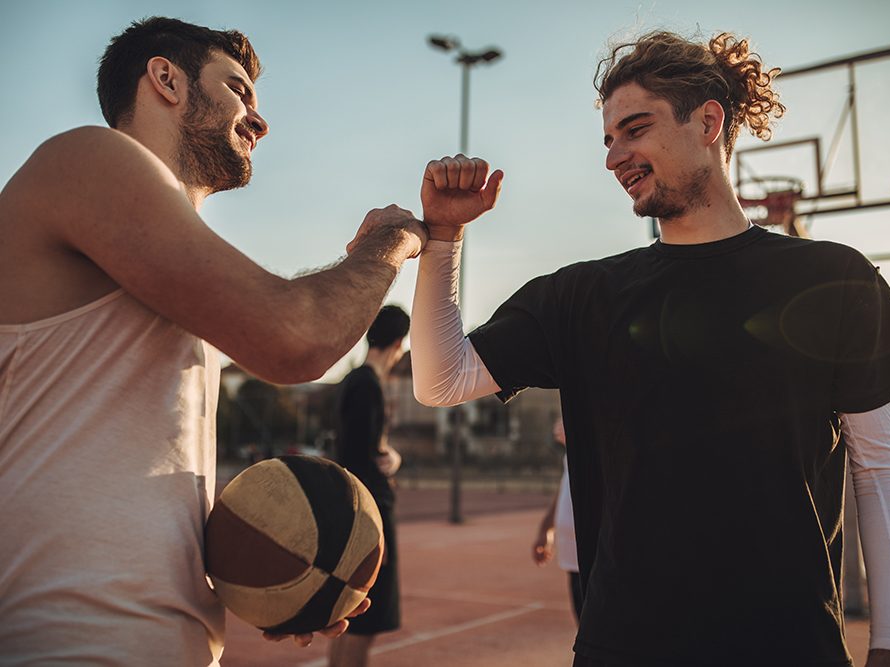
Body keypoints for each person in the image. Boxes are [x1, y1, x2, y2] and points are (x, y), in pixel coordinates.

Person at [407, 31, 890, 667]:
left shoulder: (833, 279)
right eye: (608, 139)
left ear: (708, 120)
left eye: (635, 128)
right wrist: (443, 238)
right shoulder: (584, 294)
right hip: (624, 649)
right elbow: (440, 380)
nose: (614, 156)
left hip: (790, 646)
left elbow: (879, 464)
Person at [0, 17, 426, 666]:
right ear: (165, 78)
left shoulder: (157, 264)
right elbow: (297, 338)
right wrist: (390, 243)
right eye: (239, 90)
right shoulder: (87, 156)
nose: (259, 120)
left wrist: (271, 577)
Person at [331, 305, 410, 667]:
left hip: (362, 511)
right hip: (368, 514)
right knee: (362, 619)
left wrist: (391, 456)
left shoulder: (358, 381)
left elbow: (365, 451)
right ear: (399, 343)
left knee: (348, 618)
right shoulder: (367, 384)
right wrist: (373, 533)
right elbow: (359, 461)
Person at [532, 418, 582, 623]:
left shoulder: (600, 449)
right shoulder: (572, 454)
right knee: (582, 621)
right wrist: (547, 527)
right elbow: (566, 486)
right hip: (571, 553)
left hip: (594, 551)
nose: (558, 425)